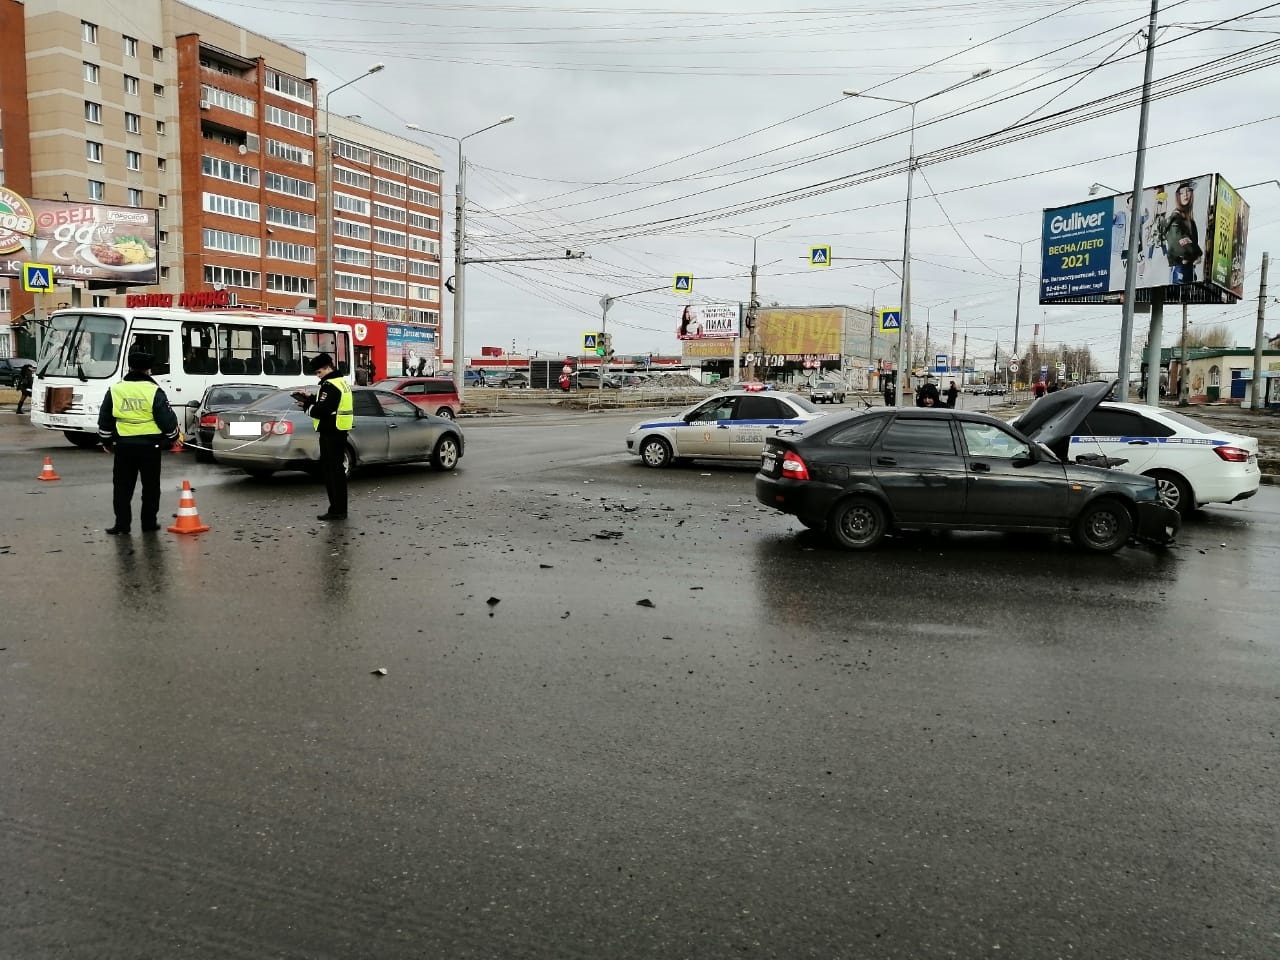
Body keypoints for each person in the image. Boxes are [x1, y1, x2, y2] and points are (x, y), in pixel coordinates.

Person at [96, 351, 180, 535]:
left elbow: (105, 419)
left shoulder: (116, 389)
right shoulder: (154, 391)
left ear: (130, 367)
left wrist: (106, 441)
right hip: (150, 447)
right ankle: (149, 523)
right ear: (148, 370)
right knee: (150, 487)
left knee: (122, 488)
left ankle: (122, 525)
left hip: (124, 447)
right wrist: (174, 437)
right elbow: (166, 420)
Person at [292, 353, 353, 521]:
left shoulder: (330, 385)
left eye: (319, 372)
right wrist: (310, 398)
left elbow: (322, 410)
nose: (318, 375)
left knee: (332, 472)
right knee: (336, 471)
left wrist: (306, 406)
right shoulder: (341, 382)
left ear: (328, 368)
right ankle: (339, 509)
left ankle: (337, 510)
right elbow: (329, 404)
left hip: (331, 432)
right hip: (339, 430)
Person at [1165, 181, 1202, 285]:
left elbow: (1192, 242)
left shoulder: (1190, 220)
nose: (1185, 194)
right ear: (1178, 196)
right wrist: (1194, 254)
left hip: (1189, 268)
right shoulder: (1176, 217)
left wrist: (1197, 254)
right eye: (1182, 192)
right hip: (1179, 268)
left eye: (1188, 191)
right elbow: (1177, 242)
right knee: (1177, 295)